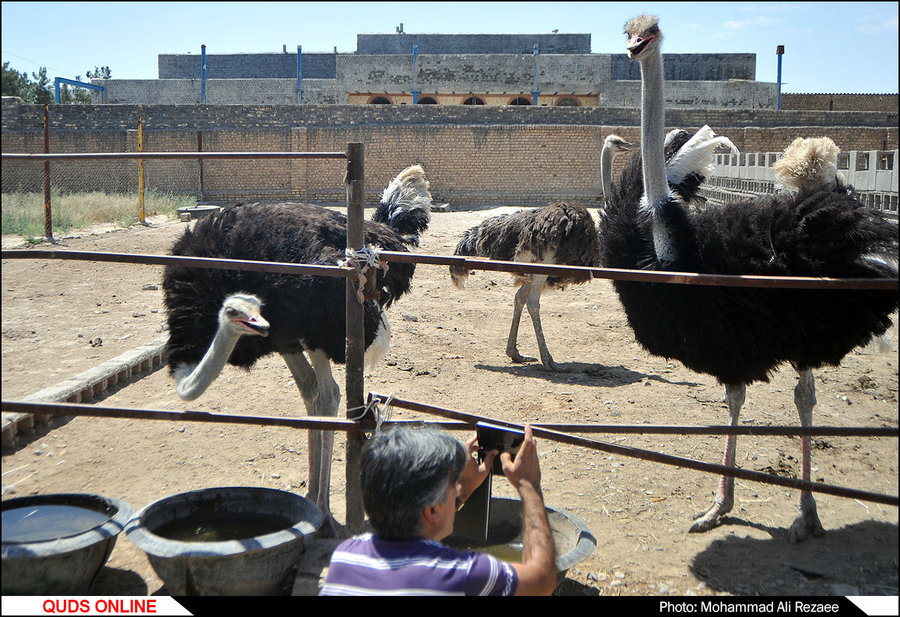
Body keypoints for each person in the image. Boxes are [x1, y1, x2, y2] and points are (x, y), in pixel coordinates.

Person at [319, 424, 557, 596]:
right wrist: (528, 485)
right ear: (431, 511)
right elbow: (542, 579)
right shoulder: (464, 575)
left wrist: (461, 490)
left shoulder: (346, 556)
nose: (455, 491)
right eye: (451, 486)